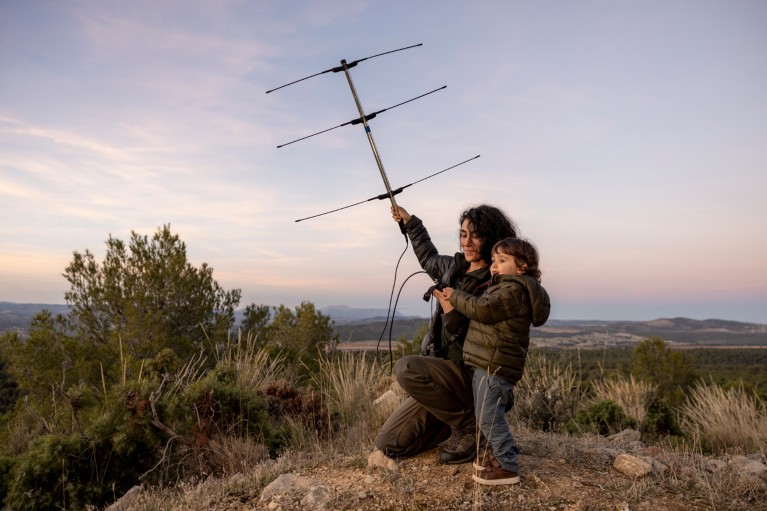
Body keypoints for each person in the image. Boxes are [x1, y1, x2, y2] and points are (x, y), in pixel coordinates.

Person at [373, 204, 517, 465]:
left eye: (476, 235)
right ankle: (455, 422)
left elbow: (486, 340)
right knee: (388, 444)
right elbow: (428, 257)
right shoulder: (454, 268)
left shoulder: (496, 282)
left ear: (492, 238)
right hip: (444, 381)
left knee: (407, 368)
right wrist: (410, 222)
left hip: (471, 378)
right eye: (463, 234)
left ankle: (475, 427)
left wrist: (452, 314)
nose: (467, 242)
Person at [438, 237, 551, 485]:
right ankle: (496, 455)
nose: (494, 266)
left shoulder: (514, 290)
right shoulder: (507, 287)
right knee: (486, 414)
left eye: (502, 260)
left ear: (522, 267)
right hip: (491, 364)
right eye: (493, 261)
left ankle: (506, 465)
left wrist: (455, 297)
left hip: (494, 366)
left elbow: (482, 309)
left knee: (489, 416)